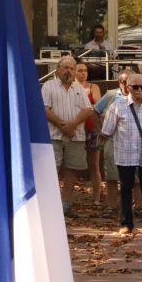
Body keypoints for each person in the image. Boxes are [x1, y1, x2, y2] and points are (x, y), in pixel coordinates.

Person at [100, 73, 142, 234]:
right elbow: (107, 131)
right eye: (136, 87)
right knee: (126, 189)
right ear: (128, 87)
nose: (140, 90)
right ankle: (126, 224)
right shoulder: (117, 106)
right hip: (124, 153)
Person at [42, 55, 96, 218]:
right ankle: (51, 205)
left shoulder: (79, 87)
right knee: (52, 169)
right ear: (58, 70)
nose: (69, 71)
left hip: (75, 136)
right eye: (65, 67)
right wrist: (63, 125)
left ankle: (65, 204)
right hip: (54, 135)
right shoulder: (48, 86)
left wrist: (72, 125)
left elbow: (88, 110)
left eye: (72, 68)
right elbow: (44, 109)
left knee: (72, 170)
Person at [95, 69, 134, 216]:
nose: (127, 85)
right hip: (112, 140)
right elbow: (94, 111)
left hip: (133, 142)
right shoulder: (111, 95)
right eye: (124, 82)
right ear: (120, 83)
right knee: (111, 175)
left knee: (135, 177)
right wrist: (100, 130)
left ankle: (138, 207)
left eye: (130, 82)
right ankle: (112, 206)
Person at [75, 62, 103, 206]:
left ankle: (97, 198)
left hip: (92, 129)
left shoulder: (93, 87)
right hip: (75, 130)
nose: (83, 73)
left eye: (85, 70)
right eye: (80, 70)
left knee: (94, 165)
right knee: (72, 165)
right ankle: (70, 199)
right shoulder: (70, 88)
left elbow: (98, 106)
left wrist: (86, 108)